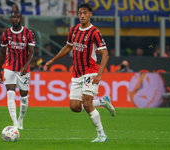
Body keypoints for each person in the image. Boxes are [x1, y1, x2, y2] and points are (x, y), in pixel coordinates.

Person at [44, 2, 115, 143]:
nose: (82, 15)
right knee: (75, 107)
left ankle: (102, 134)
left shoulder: (94, 32)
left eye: (85, 13)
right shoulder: (74, 30)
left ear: (90, 14)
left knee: (87, 104)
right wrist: (52, 60)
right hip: (77, 73)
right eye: (80, 13)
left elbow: (105, 54)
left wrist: (99, 75)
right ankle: (102, 101)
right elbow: (67, 48)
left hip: (90, 71)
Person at [0, 11, 35, 130]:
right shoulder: (6, 34)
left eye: (18, 17)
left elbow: (32, 52)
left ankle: (21, 119)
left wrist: (26, 66)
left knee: (24, 97)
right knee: (10, 93)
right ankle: (15, 123)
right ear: (10, 19)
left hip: (24, 69)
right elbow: (2, 52)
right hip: (9, 67)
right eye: (14, 17)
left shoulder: (29, 33)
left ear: (21, 19)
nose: (16, 19)